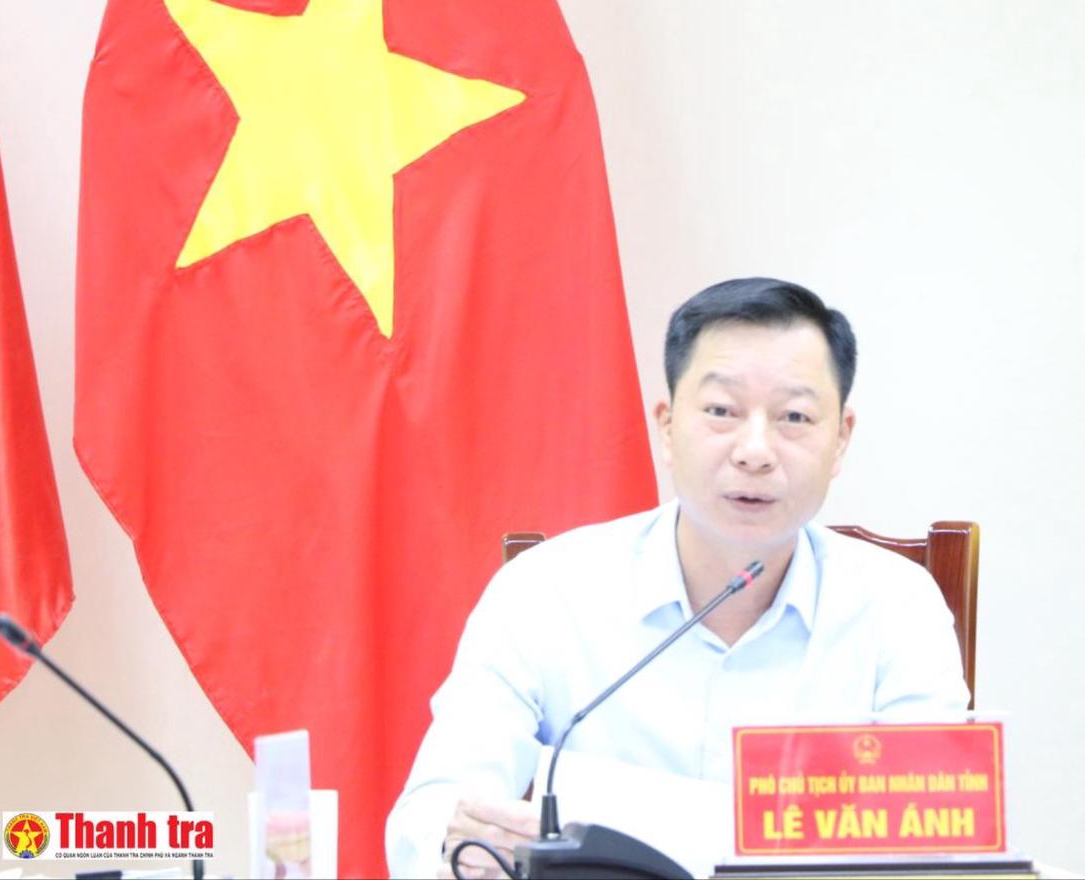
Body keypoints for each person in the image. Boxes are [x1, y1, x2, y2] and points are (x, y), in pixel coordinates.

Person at [384, 277, 969, 878]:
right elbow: (428, 818)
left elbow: (940, 848)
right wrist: (464, 845)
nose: (755, 451)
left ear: (840, 439)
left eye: (794, 417)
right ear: (666, 426)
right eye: (721, 411)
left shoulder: (898, 607)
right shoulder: (544, 593)